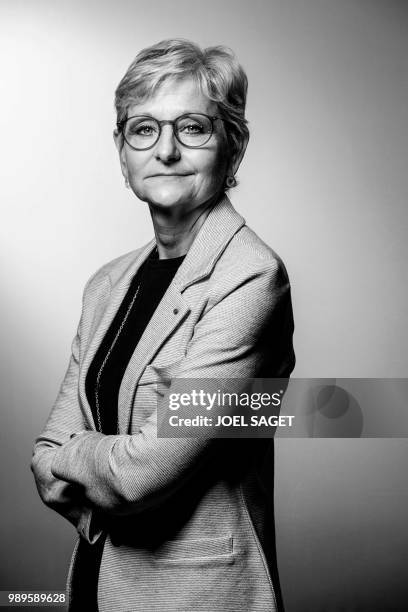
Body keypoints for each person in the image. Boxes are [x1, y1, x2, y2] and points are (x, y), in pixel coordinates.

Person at [31, 38, 295, 612]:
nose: (166, 149)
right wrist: (75, 455)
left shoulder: (251, 279)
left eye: (193, 128)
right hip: (97, 578)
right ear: (122, 151)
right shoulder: (108, 281)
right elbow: (46, 447)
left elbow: (144, 471)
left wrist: (70, 457)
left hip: (194, 593)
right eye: (143, 128)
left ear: (233, 146)